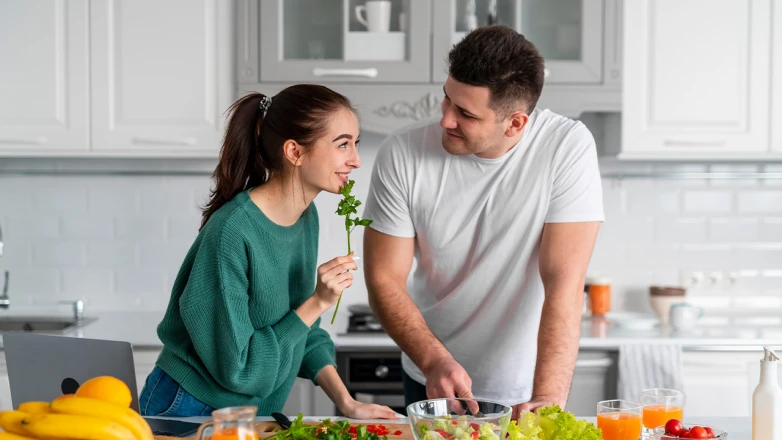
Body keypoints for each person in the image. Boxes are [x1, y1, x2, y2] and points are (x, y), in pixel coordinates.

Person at [362, 25, 604, 419]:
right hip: (430, 372)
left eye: (466, 113)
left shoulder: (566, 147)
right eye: (446, 99)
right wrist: (434, 360)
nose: (445, 119)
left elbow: (564, 280)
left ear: (516, 123)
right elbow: (383, 278)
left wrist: (549, 396)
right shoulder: (403, 152)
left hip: (527, 384)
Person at [139, 84, 398, 419]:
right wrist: (317, 301)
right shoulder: (232, 232)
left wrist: (348, 403)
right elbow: (240, 367)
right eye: (343, 144)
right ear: (295, 152)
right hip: (189, 406)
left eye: (356, 144)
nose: (356, 160)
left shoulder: (305, 217)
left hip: (246, 410)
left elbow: (301, 331)